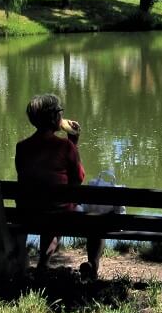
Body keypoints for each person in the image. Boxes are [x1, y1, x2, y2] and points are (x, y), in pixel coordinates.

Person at [15, 94, 104, 279]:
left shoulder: (22, 147)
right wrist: (74, 143)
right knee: (98, 220)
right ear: (55, 117)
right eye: (60, 113)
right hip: (61, 214)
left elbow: (27, 179)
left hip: (29, 213)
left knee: (49, 209)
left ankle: (42, 264)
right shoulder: (65, 147)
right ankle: (93, 267)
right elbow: (78, 179)